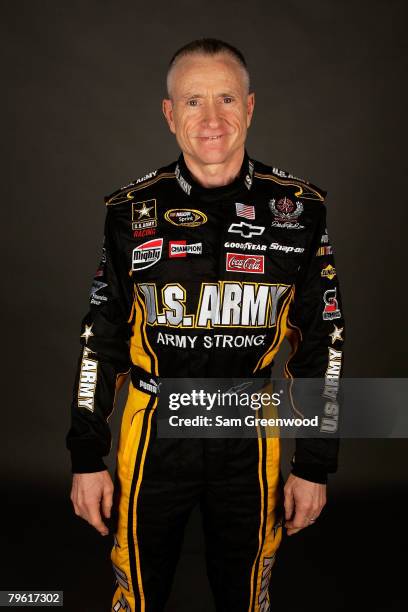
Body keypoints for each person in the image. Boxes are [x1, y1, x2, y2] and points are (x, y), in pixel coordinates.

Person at [67, 38, 345, 612]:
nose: (212, 119)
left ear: (249, 106)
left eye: (225, 98)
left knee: (248, 597)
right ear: (170, 115)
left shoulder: (300, 208)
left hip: (250, 427)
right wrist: (86, 457)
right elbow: (102, 339)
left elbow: (324, 344)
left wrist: (315, 464)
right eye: (193, 102)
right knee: (136, 595)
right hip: (152, 427)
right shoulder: (129, 211)